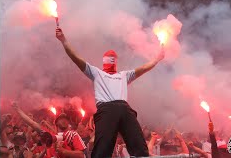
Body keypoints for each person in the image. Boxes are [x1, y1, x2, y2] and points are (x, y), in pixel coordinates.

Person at [55, 27, 165, 158]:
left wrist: (64, 41)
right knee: (110, 150)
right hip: (119, 110)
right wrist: (63, 40)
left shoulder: (111, 74)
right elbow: (143, 68)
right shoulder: (110, 74)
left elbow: (76, 58)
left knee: (138, 151)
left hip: (113, 110)